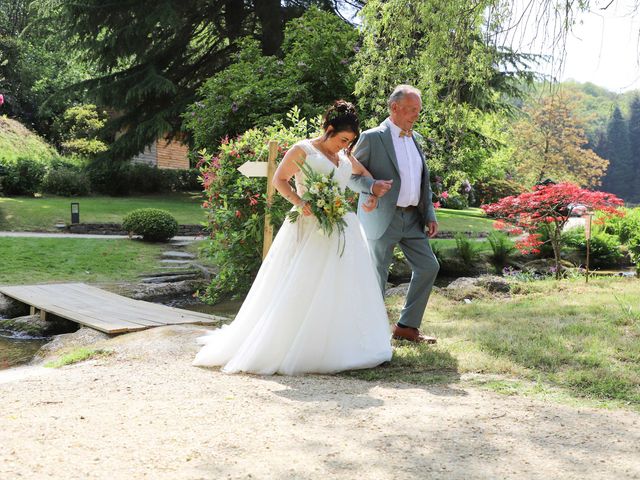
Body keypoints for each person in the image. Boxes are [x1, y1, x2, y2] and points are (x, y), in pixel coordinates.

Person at [193, 100, 393, 375]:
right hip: (309, 223)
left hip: (341, 224)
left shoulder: (345, 157)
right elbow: (279, 179)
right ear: (329, 129)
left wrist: (369, 194)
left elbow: (363, 175)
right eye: (342, 139)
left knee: (342, 284)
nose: (344, 146)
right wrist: (300, 202)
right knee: (304, 281)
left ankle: (341, 342)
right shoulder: (304, 149)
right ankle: (294, 343)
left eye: (350, 142)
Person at [349, 85, 440, 344]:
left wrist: (430, 214)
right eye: (411, 109)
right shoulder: (372, 137)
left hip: (413, 219)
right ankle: (371, 333)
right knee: (376, 274)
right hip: (380, 216)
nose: (415, 115)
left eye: (418, 110)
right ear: (394, 107)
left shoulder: (415, 139)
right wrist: (371, 186)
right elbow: (350, 175)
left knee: (428, 267)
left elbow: (424, 182)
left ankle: (406, 328)